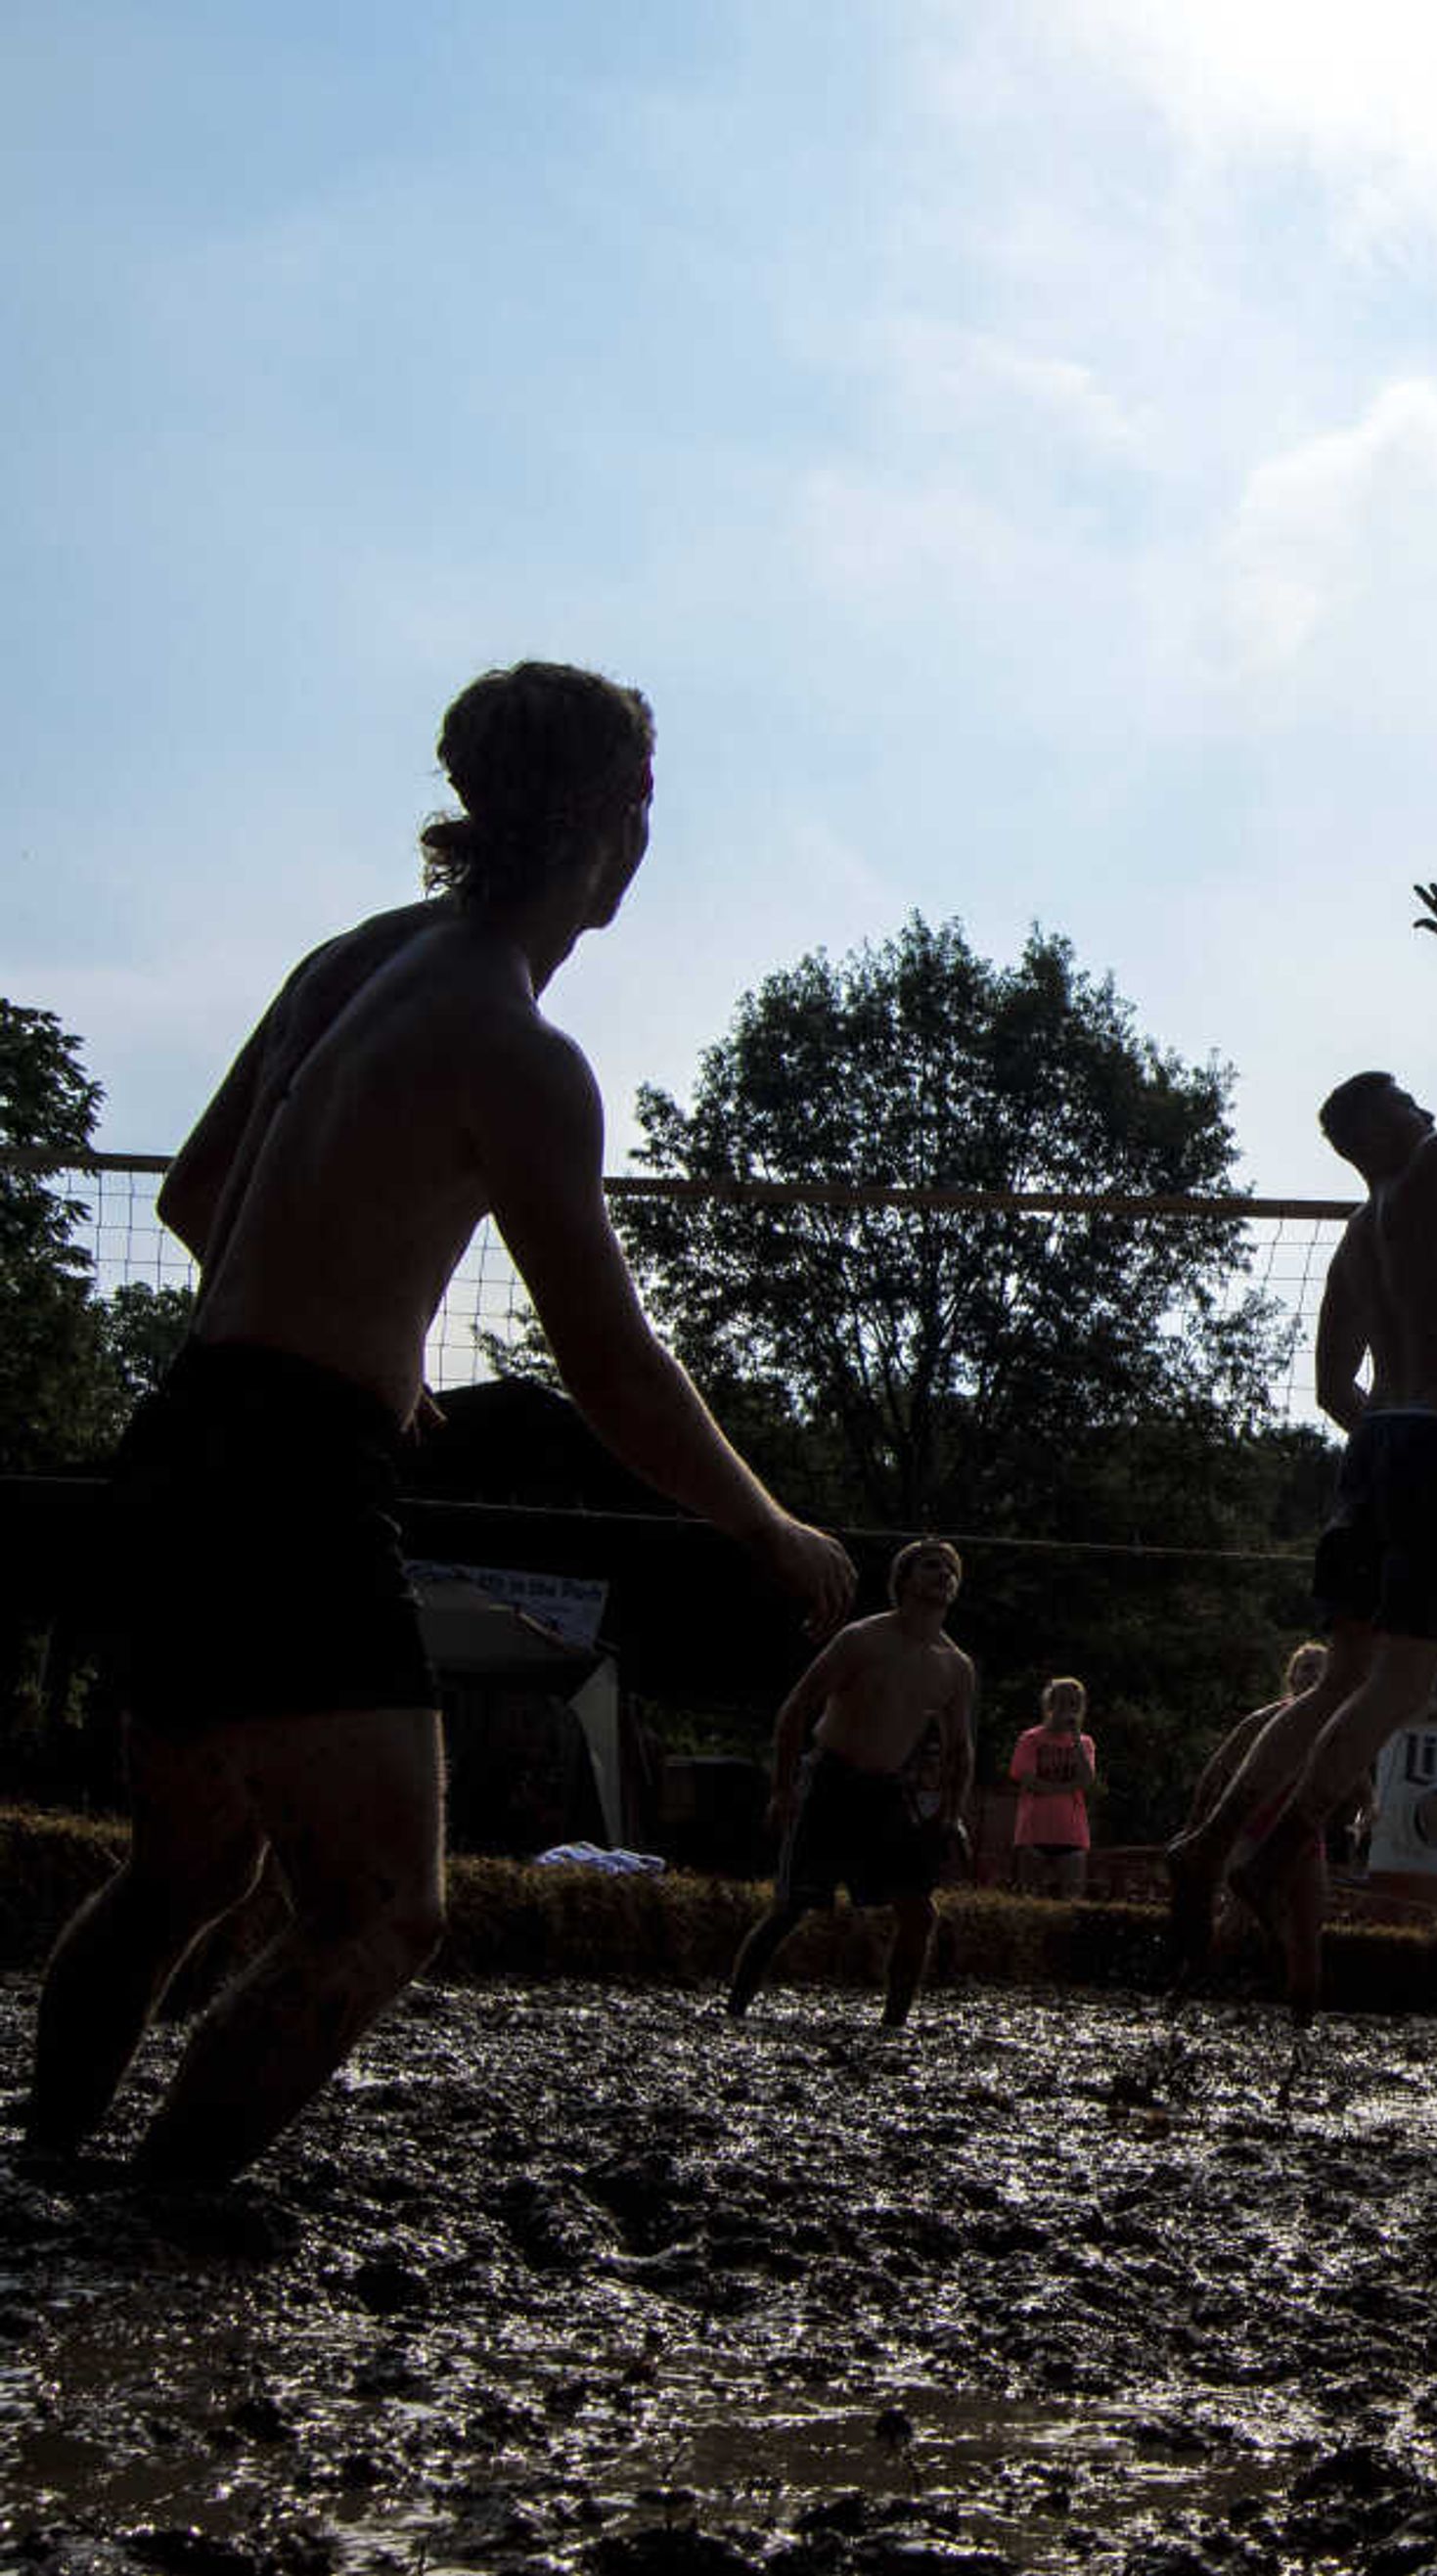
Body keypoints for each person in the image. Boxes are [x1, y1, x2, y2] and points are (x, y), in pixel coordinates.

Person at [23, 662, 855, 2185]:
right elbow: (611, 1363)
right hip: (288, 1470)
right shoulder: (521, 1055)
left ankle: (45, 2173)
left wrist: (350, 1324)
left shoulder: (355, 958)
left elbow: (197, 1195)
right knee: (384, 1914)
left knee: (182, 1871)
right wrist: (769, 1524)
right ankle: (156, 2211)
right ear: (616, 826)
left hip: (188, 1432)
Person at [1167, 885, 1437, 1970]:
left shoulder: (1352, 1240)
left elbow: (1332, 1388)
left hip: (1378, 1452)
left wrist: (1394, 1445)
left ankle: (1206, 1839)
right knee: (1406, 1683)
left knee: (1339, 1677)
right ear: (1378, 1131)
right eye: (1410, 1101)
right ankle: (1274, 1849)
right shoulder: (1420, 1183)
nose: (1427, 1111)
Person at [726, 1538, 975, 2029]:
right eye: (931, 1565)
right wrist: (782, 1789)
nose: (943, 1573)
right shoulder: (862, 1639)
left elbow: (960, 1749)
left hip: (887, 1790)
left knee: (920, 1914)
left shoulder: (954, 1666)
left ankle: (894, 2026)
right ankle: (734, 2010)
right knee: (792, 1906)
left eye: (950, 1569)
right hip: (831, 1779)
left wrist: (953, 1814)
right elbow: (795, 1711)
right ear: (904, 1581)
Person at [1181, 1644, 1336, 2018]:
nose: (1312, 1676)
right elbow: (1218, 1768)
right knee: (1236, 1922)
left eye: (1321, 1670)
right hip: (1254, 1835)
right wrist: (1197, 1824)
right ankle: (1187, 1987)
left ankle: (1303, 2014)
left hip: (1305, 1838)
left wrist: (1367, 1813)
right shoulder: (1264, 1720)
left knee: (1309, 1928)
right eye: (1306, 1669)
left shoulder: (1338, 1728)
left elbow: (1361, 1785)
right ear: (1291, 1677)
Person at [1007, 1678, 1100, 1897]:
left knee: (1072, 1897)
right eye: (1063, 1703)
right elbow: (1029, 1780)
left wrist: (1075, 1738)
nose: (1068, 1709)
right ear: (1050, 1705)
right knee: (1028, 1897)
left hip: (1072, 1834)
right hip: (1034, 1831)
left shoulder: (1085, 1743)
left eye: (1074, 1704)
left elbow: (1086, 1780)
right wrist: (1068, 1787)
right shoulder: (1030, 1739)